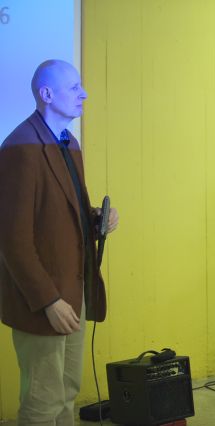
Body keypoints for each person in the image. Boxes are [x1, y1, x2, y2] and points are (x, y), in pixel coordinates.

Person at [0, 60, 119, 424]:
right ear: (47, 94)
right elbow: (12, 240)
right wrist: (49, 301)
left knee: (67, 393)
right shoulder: (19, 148)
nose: (84, 94)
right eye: (74, 88)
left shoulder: (69, 144)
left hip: (73, 291)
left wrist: (96, 218)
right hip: (44, 300)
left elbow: (65, 210)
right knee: (42, 402)